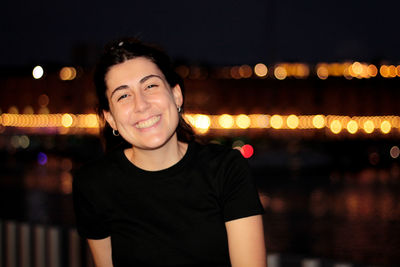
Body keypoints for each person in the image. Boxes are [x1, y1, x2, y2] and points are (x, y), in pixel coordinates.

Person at [73, 38, 267, 267]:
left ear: (176, 96)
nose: (141, 105)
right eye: (123, 95)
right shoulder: (94, 184)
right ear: (111, 119)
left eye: (150, 86)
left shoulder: (226, 169)